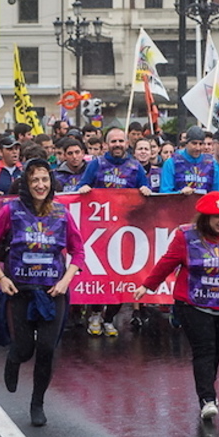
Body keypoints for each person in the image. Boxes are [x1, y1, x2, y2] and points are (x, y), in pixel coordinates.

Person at [132, 191, 219, 421]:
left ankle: (207, 386)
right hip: (192, 302)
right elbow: (167, 262)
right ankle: (207, 399)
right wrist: (148, 286)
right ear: (204, 218)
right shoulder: (186, 236)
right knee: (204, 349)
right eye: (216, 217)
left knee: (217, 349)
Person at [0, 158, 85, 427]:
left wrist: (66, 281)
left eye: (44, 180)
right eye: (35, 180)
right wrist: (1, 278)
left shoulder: (62, 213)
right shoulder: (10, 211)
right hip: (20, 291)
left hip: (52, 292)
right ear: (27, 184)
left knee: (47, 348)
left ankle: (37, 403)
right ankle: (14, 359)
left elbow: (79, 251)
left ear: (51, 183)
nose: (40, 185)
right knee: (26, 349)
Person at [77, 128, 150, 337]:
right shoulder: (96, 164)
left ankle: (109, 318)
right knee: (99, 278)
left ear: (127, 143)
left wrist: (145, 190)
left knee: (122, 279)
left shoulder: (136, 167)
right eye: (113, 141)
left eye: (120, 141)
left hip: (125, 232)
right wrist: (84, 189)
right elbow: (83, 186)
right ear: (106, 144)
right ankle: (95, 315)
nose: (117, 144)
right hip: (100, 233)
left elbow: (146, 191)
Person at [160, 126, 214, 194]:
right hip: (180, 203)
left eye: (201, 144)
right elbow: (164, 193)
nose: (198, 148)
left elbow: (217, 192)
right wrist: (180, 193)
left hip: (204, 203)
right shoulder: (171, 162)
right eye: (194, 143)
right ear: (186, 143)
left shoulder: (211, 162)